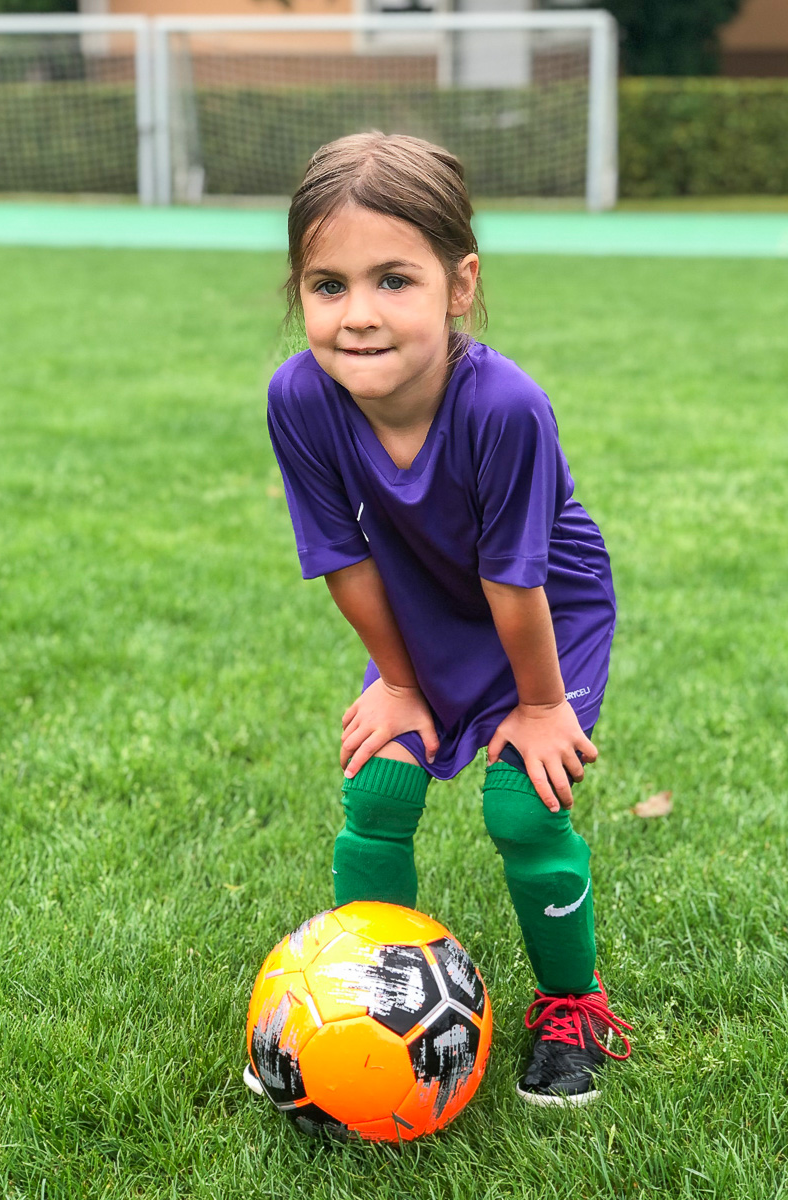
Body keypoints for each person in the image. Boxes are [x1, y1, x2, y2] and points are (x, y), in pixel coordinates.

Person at [263, 131, 632, 1106]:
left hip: (544, 603)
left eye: (392, 279)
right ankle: (358, 998)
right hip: (420, 594)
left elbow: (517, 585)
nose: (357, 316)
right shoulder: (299, 397)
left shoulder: (504, 408)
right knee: (380, 787)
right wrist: (397, 683)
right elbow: (340, 557)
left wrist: (542, 707)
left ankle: (570, 1008)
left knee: (519, 803)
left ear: (457, 284)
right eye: (327, 285)